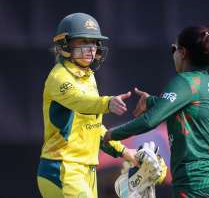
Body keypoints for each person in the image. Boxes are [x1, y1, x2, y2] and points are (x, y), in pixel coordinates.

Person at [104, 26, 209, 198]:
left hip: (195, 182)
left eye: (174, 49)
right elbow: (188, 110)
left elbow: (150, 121)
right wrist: (150, 101)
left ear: (183, 52)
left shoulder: (185, 81)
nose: (173, 55)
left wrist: (111, 134)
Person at [37, 12, 138, 198]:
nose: (91, 49)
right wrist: (107, 103)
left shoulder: (88, 76)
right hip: (62, 167)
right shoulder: (59, 77)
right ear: (64, 44)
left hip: (86, 170)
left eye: (93, 43)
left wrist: (125, 152)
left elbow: (93, 127)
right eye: (83, 42)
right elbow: (81, 102)